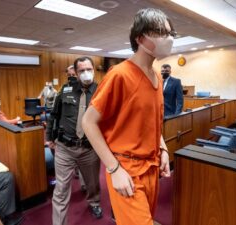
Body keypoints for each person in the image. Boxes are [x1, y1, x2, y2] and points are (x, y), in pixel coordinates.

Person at [82, 8, 172, 225]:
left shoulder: (158, 77)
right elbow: (88, 122)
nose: (168, 39)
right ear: (140, 38)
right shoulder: (119, 74)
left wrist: (163, 148)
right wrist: (113, 169)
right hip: (126, 169)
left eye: (170, 33)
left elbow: (153, 122)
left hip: (151, 166)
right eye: (161, 33)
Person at [46, 56, 102, 225]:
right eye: (82, 70)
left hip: (90, 148)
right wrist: (49, 137)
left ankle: (94, 202)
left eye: (89, 69)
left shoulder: (102, 91)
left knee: (92, 183)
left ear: (94, 70)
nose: (86, 73)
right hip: (65, 147)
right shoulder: (66, 90)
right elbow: (54, 115)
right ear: (76, 73)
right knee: (61, 189)